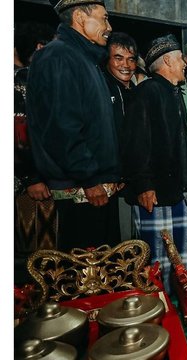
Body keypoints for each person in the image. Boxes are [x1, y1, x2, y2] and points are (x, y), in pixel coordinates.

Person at [26, 0, 121, 252]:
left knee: (105, 277)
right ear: (80, 17)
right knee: (83, 279)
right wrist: (89, 180)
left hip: (93, 188)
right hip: (81, 191)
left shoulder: (84, 58)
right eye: (104, 18)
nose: (108, 26)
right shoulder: (58, 56)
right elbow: (62, 128)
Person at [121, 34, 187, 293]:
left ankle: (176, 306)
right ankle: (158, 310)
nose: (185, 64)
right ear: (167, 60)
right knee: (157, 260)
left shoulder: (172, 92)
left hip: (175, 190)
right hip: (155, 194)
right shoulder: (148, 91)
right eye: (181, 59)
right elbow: (136, 143)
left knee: (178, 256)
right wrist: (143, 185)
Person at [14, 21, 56, 283]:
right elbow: (20, 134)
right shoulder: (22, 79)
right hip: (26, 185)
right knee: (36, 259)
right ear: (39, 48)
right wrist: (33, 177)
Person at [103, 32, 138, 241]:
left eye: (131, 59)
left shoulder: (135, 91)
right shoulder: (102, 88)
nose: (126, 64)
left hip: (132, 180)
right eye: (118, 58)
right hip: (110, 181)